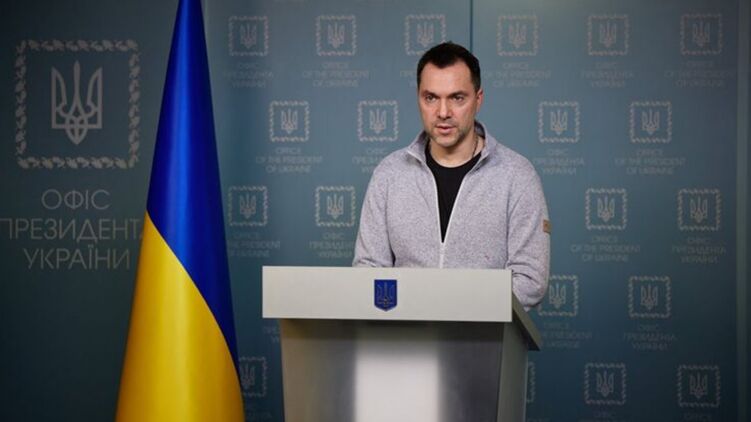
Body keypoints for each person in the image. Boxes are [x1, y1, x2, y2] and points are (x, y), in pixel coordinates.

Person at [352, 42, 550, 308]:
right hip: (406, 332)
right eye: (431, 98)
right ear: (418, 98)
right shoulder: (389, 174)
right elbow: (368, 271)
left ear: (478, 99)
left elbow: (530, 280)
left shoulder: (517, 176)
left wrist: (453, 309)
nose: (443, 113)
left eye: (457, 98)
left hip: (485, 334)